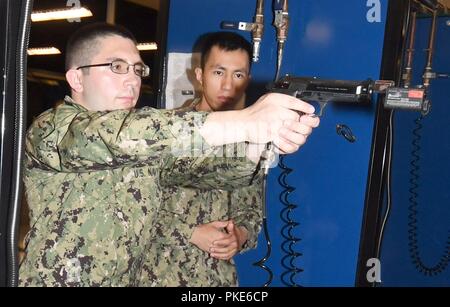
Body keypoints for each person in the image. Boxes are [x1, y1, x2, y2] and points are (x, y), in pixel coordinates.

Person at [19, 23, 319, 287]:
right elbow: (120, 136)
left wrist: (258, 145)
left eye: (137, 69)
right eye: (117, 67)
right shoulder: (55, 128)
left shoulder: (145, 146)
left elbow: (200, 170)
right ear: (77, 79)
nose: (132, 79)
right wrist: (247, 120)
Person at [140, 32, 262, 287]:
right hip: (159, 276)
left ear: (247, 80)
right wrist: (191, 233)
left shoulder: (249, 142)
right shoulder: (165, 131)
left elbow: (252, 213)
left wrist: (240, 235)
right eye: (219, 72)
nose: (228, 85)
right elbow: (133, 210)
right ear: (199, 75)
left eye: (238, 75)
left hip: (218, 280)